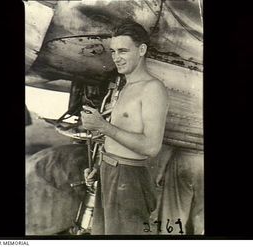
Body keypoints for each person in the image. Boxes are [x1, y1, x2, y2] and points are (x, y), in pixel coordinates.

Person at [80, 21, 169, 235]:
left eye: (123, 51)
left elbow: (151, 146)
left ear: (142, 50)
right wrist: (99, 168)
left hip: (129, 179)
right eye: (113, 51)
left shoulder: (152, 89)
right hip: (109, 172)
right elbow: (119, 138)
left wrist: (102, 125)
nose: (116, 57)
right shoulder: (126, 85)